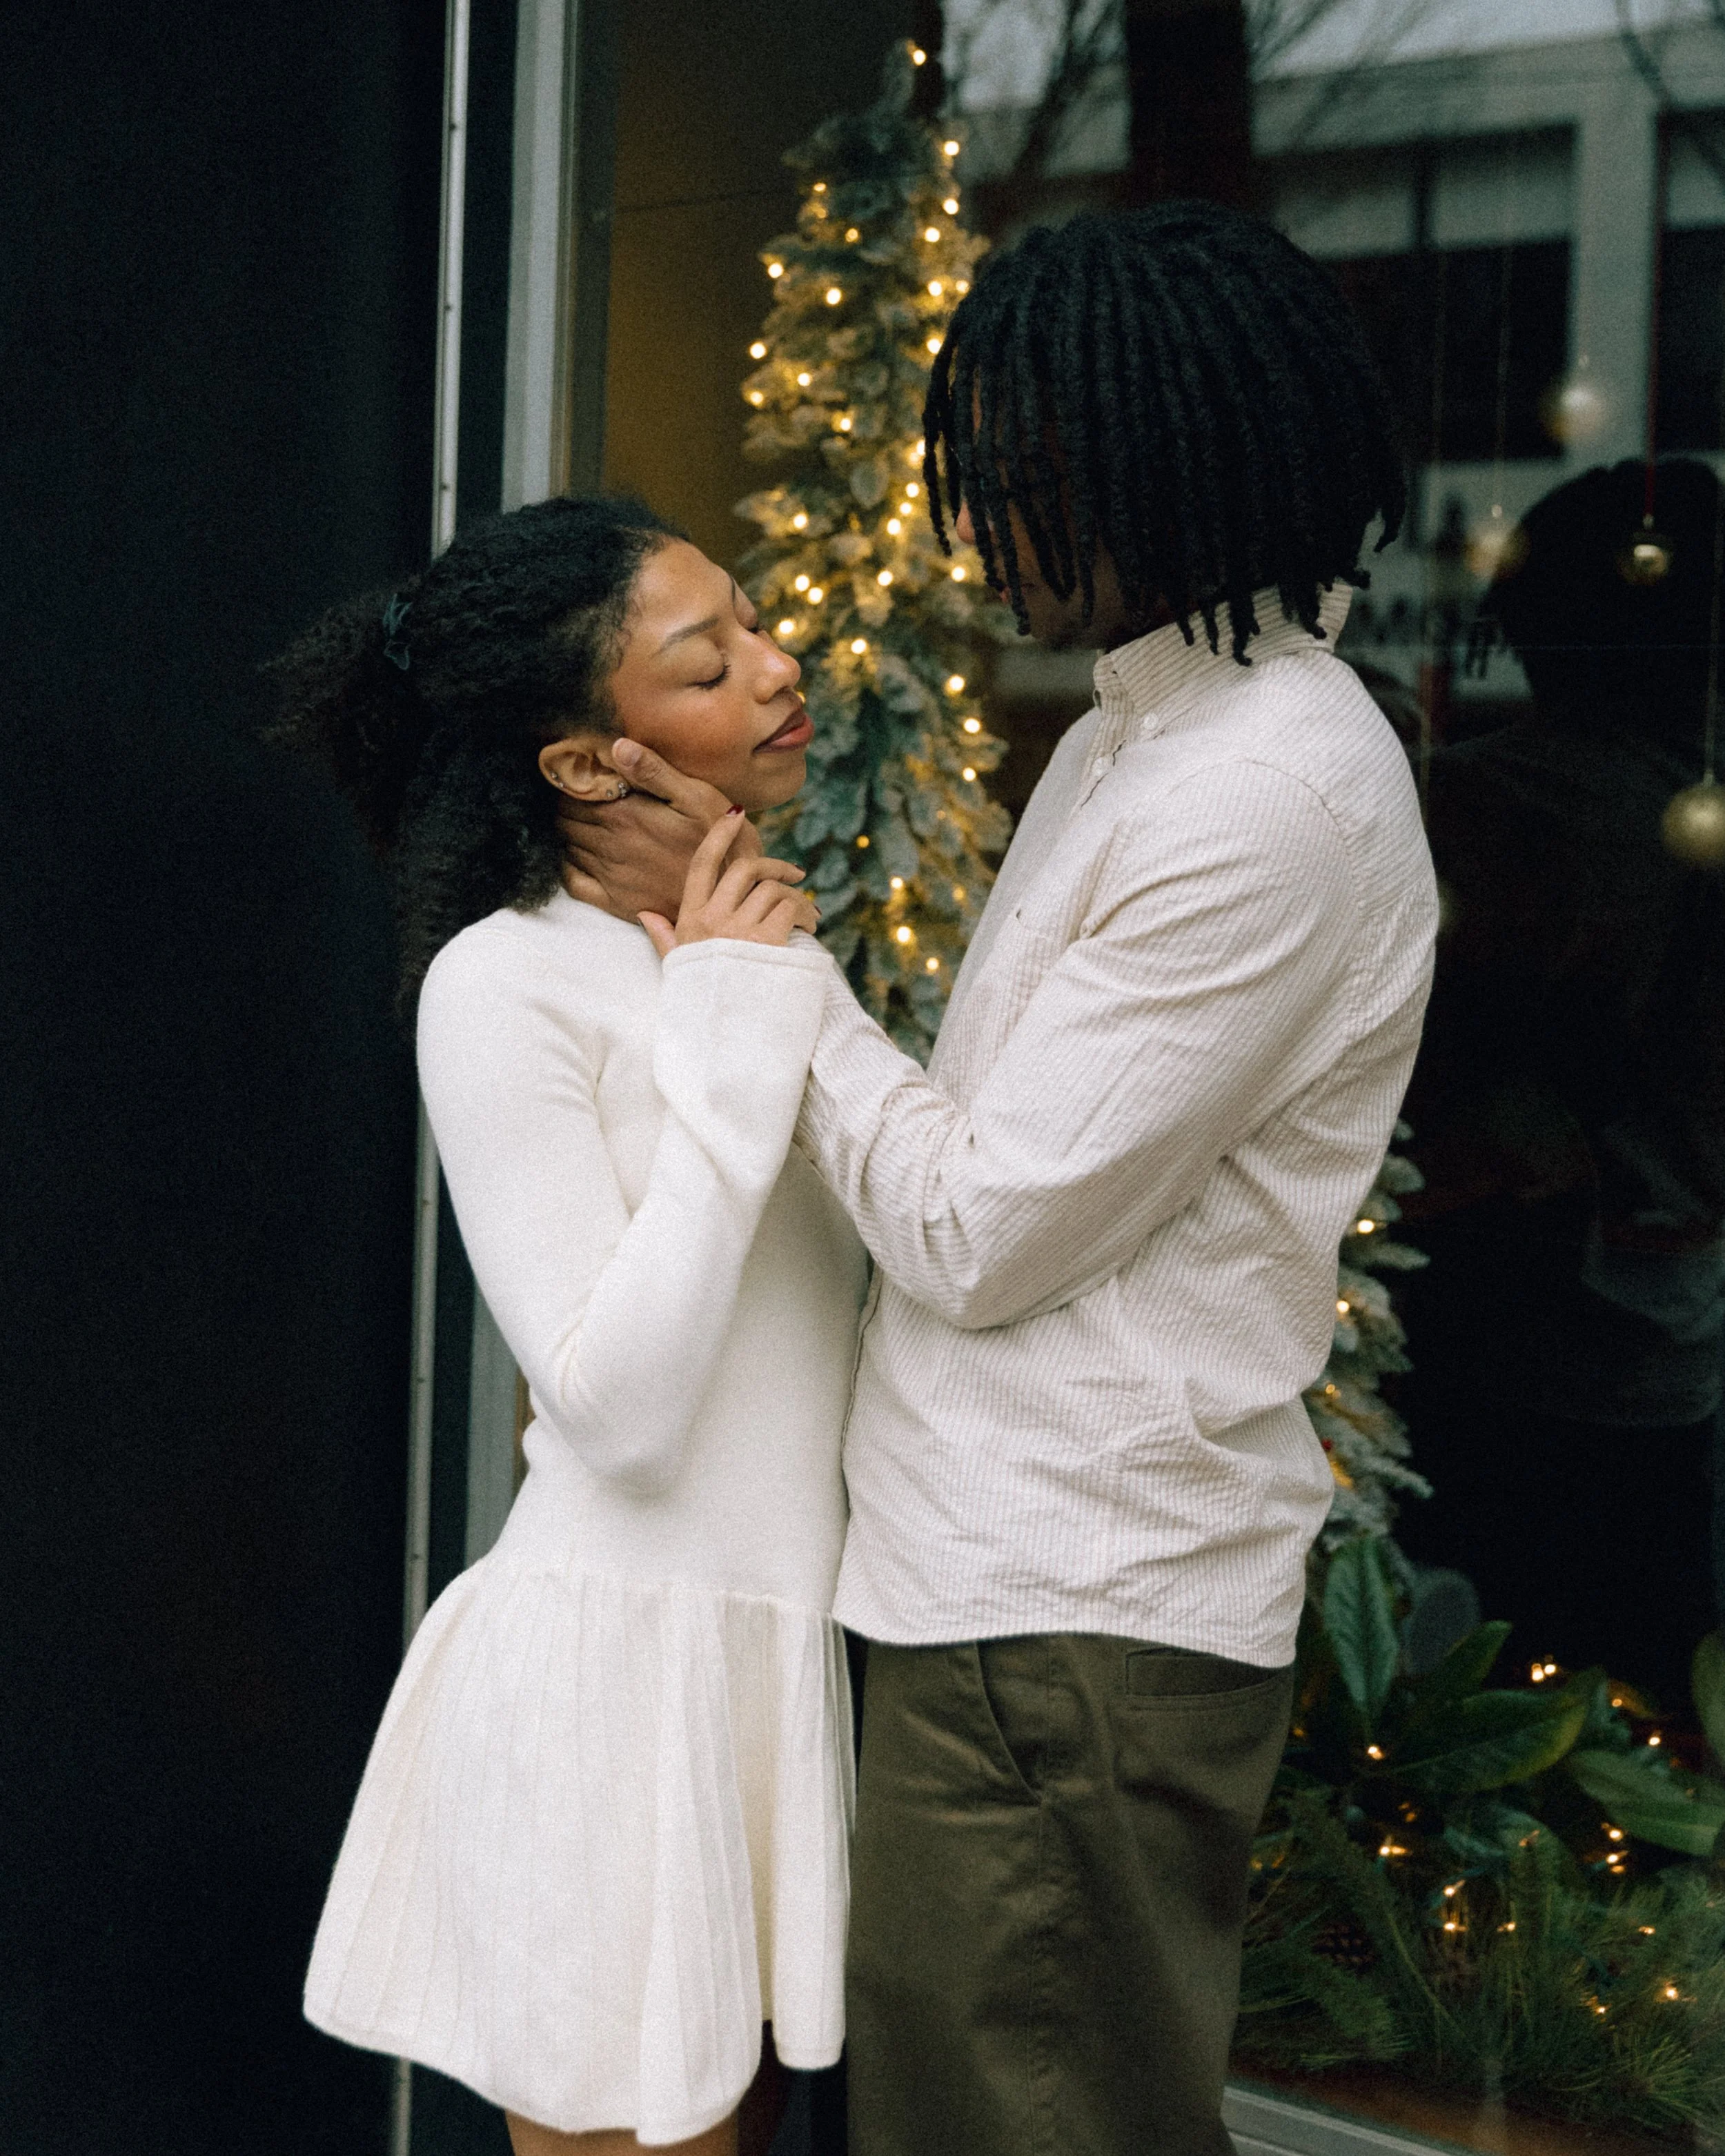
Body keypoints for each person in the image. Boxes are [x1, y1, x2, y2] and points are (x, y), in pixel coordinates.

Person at [558, 201, 1438, 2156]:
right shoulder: (1146, 738)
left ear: (1160, 473)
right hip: (1000, 1599)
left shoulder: (1261, 793)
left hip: (1066, 1621)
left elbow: (972, 1227)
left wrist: (757, 959)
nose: (981, 538)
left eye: (1023, 485)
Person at [270, 495, 868, 2156]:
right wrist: (732, 1039)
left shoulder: (759, 950)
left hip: (764, 1661)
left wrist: (752, 992)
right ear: (589, 762)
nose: (778, 665)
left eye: (753, 622)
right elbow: (610, 1405)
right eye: (708, 662)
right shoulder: (504, 981)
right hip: (617, 1683)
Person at [1397, 458, 1725, 1703]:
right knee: (1624, 1715)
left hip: (1490, 1334)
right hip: (1643, 1341)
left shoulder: (1487, 804)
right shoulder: (1640, 807)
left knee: (1472, 1707)